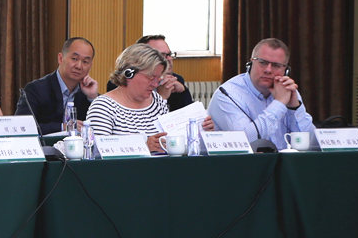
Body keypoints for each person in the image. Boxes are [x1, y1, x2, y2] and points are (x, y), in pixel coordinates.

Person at [85, 44, 214, 153]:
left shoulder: (157, 101)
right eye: (151, 78)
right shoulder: (103, 106)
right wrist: (144, 147)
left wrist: (200, 131)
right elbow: (97, 152)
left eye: (158, 78)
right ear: (129, 73)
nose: (155, 84)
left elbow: (169, 141)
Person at [209, 37, 317, 149]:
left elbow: (313, 143)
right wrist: (279, 104)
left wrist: (295, 108)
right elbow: (245, 141)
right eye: (263, 63)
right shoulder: (227, 94)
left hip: (284, 159)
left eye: (276, 65)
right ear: (250, 63)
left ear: (286, 71)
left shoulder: (286, 90)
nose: (268, 70)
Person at [17, 37, 99, 135]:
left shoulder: (88, 94)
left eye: (85, 62)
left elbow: (101, 129)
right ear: (60, 58)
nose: (79, 66)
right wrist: (62, 127)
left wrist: (92, 98)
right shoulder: (36, 89)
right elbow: (21, 127)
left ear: (90, 65)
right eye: (74, 59)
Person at [138, 34, 198, 112]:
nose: (169, 59)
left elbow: (188, 115)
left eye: (169, 54)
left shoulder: (175, 80)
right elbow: (142, 118)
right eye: (162, 55)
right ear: (143, 58)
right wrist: (161, 97)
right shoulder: (134, 84)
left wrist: (183, 91)